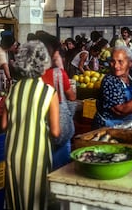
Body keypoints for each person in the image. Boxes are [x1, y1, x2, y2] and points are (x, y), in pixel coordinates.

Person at [1, 40, 60, 210]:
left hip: (13, 153)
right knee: (37, 201)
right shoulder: (49, 92)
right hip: (37, 155)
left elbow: (4, 125)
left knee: (15, 200)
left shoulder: (13, 89)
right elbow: (56, 132)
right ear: (43, 63)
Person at [41, 37, 76, 170]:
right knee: (61, 169)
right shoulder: (59, 74)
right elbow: (72, 97)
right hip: (60, 127)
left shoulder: (33, 77)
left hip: (42, 130)